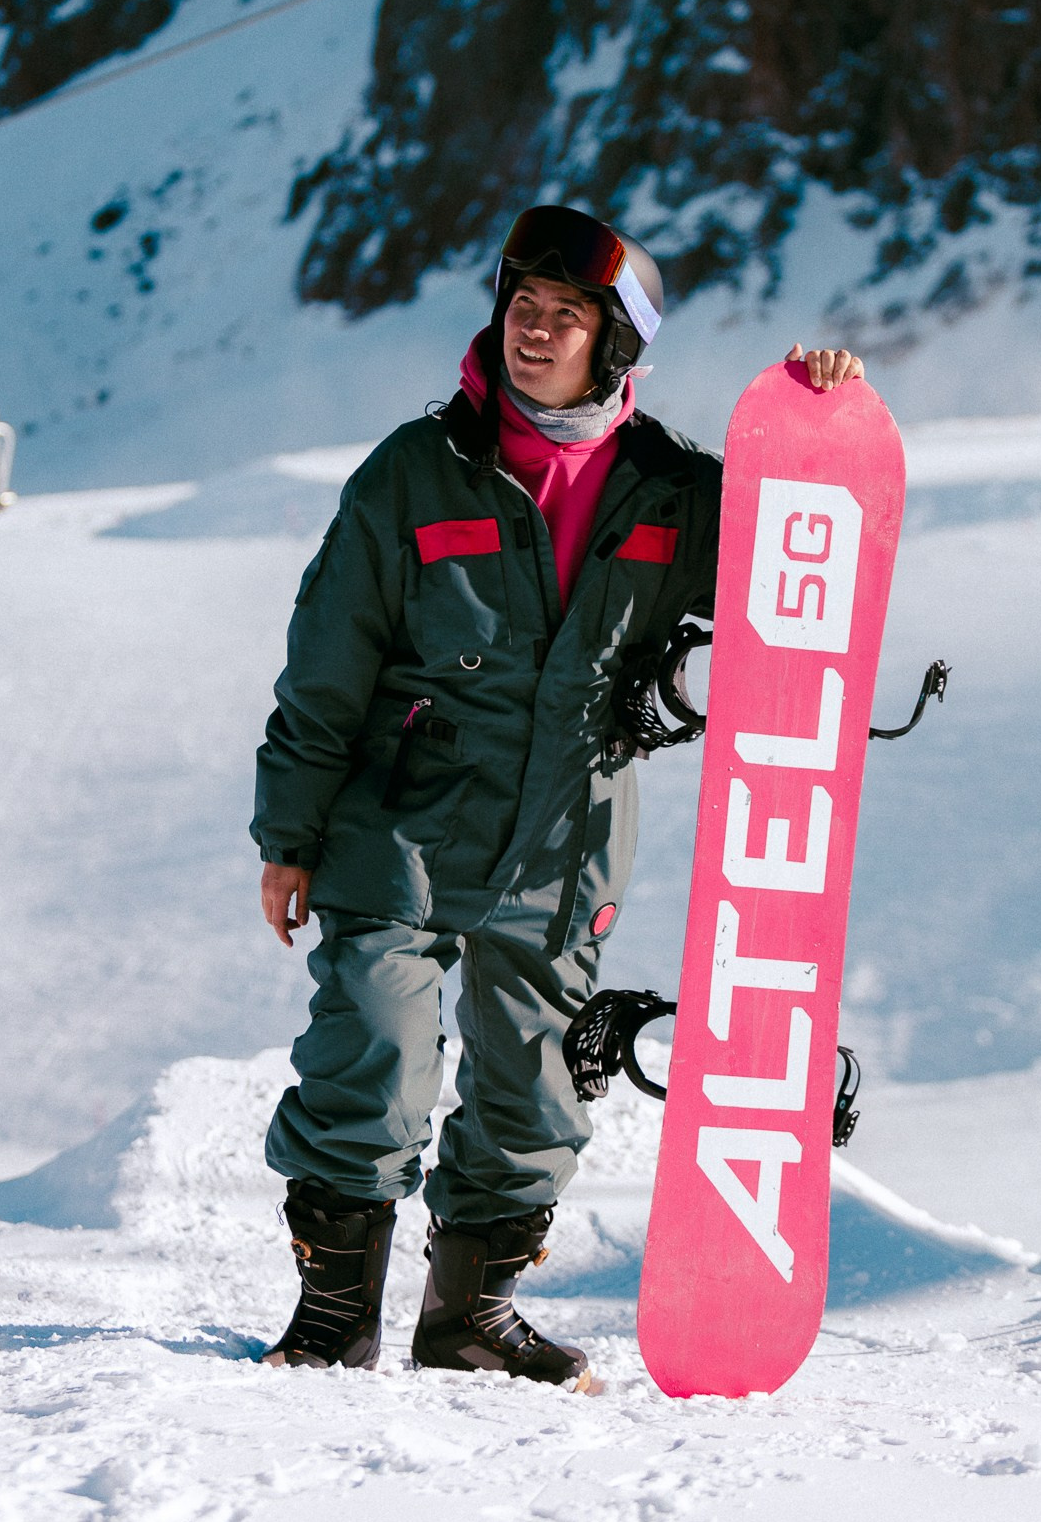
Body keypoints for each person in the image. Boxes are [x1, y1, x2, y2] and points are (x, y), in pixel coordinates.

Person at [252, 206, 864, 1384]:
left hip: (568, 839)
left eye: (565, 315)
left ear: (615, 342)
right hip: (403, 824)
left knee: (536, 1091)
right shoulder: (415, 473)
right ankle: (333, 1314)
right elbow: (326, 662)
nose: (534, 331)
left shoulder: (673, 495)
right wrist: (290, 833)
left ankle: (468, 1317)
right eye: (522, 307)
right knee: (369, 1053)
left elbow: (804, 537)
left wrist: (820, 416)